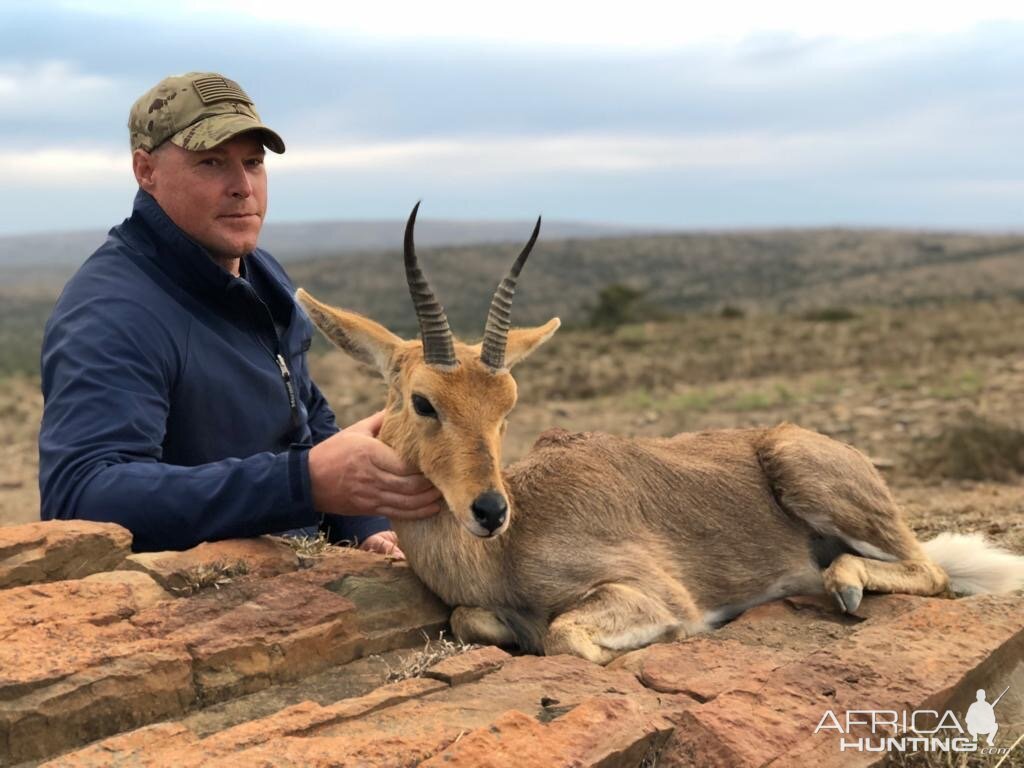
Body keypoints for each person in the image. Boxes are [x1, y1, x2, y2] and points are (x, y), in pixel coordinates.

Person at [38, 72, 441, 555]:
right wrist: (302, 483)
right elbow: (82, 497)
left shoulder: (258, 273)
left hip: (294, 575)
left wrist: (363, 523)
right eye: (212, 162)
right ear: (146, 171)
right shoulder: (112, 311)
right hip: (184, 604)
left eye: (253, 162)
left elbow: (304, 410)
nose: (243, 187)